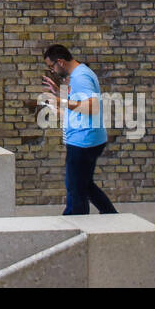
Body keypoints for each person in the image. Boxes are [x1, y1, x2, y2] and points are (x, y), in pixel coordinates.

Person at [40, 44, 117, 216]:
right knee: (85, 185)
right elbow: (81, 103)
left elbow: (93, 107)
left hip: (83, 141)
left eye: (51, 66)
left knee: (75, 189)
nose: (52, 70)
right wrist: (60, 94)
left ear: (60, 62)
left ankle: (73, 225)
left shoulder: (80, 77)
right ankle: (111, 216)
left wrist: (62, 102)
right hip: (87, 138)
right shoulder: (79, 74)